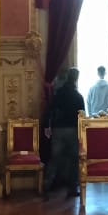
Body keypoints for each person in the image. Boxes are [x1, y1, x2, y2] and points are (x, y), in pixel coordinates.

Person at [41, 67, 85, 198]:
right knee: (74, 160)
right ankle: (72, 188)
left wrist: (47, 126)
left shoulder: (58, 94)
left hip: (58, 129)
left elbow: (49, 111)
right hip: (72, 130)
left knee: (54, 159)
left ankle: (47, 185)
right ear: (76, 79)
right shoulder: (78, 96)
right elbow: (82, 117)